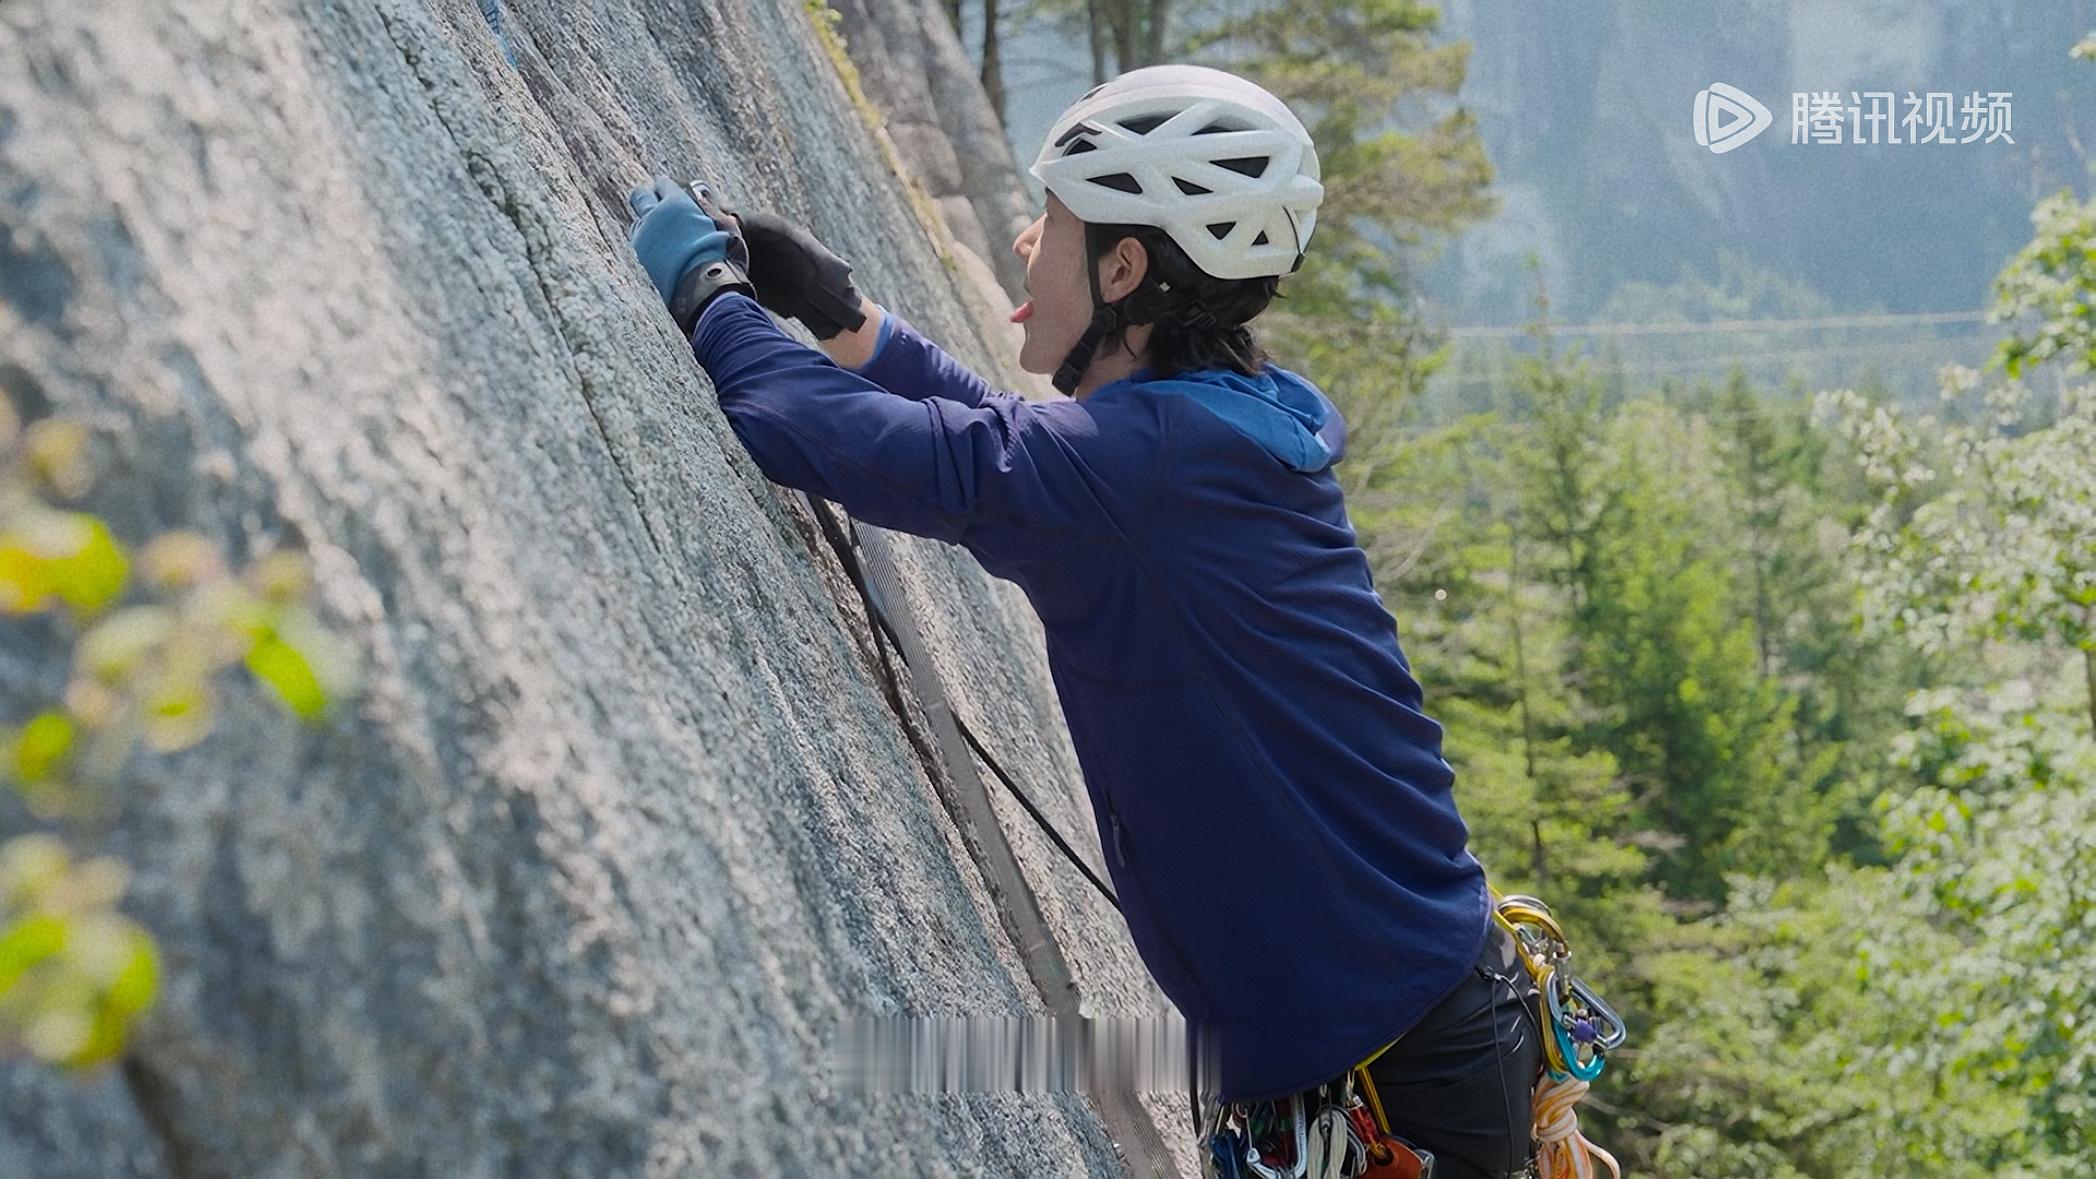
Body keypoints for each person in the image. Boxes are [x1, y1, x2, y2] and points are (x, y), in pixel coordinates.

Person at [627, 64, 1544, 1179]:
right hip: (1410, 1049)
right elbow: (1024, 455)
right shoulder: (1214, 427)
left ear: (1122, 268)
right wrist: (842, 313)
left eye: (1050, 219)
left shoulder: (1143, 472)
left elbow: (826, 431)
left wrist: (709, 291)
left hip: (1395, 1088)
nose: (1023, 240)